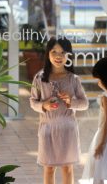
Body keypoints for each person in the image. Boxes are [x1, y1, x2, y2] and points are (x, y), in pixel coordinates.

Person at [29, 37, 89, 184]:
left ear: (68, 55)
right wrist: (44, 105)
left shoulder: (73, 79)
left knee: (67, 168)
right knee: (48, 168)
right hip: (47, 129)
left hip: (68, 130)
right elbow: (32, 101)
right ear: (48, 54)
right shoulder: (39, 78)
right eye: (54, 51)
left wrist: (71, 102)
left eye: (63, 52)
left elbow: (85, 104)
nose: (58, 56)